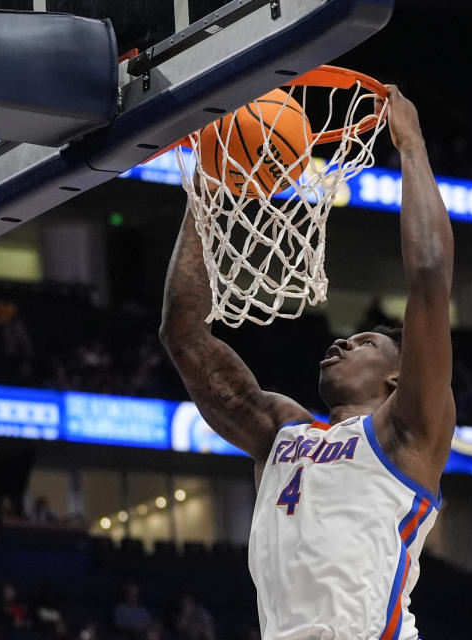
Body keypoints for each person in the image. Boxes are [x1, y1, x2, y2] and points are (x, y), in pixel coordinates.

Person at [160, 86, 455, 640]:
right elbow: (183, 333)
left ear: (399, 375)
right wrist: (208, 187)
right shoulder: (280, 431)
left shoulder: (407, 432)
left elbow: (431, 280)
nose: (342, 344)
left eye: (365, 342)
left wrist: (411, 145)